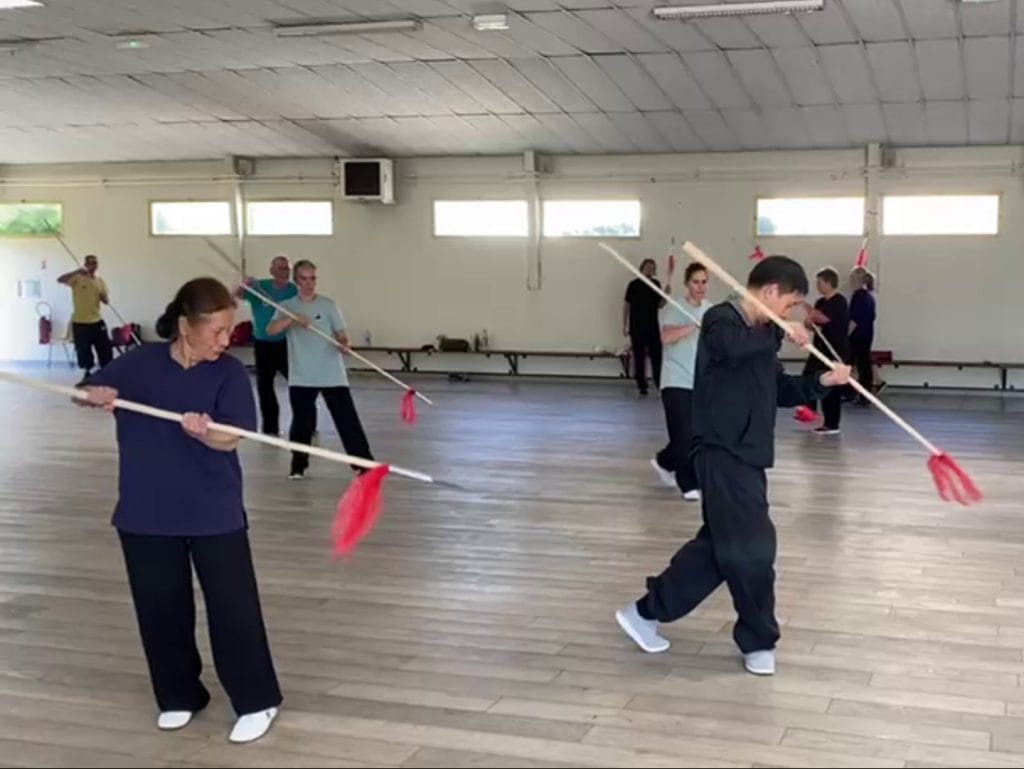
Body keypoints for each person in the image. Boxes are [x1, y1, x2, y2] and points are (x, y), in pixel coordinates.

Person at [615, 256, 851, 676]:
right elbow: (732, 348)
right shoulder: (722, 321)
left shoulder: (760, 337)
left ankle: (645, 612)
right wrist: (780, 332)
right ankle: (758, 640)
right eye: (788, 304)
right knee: (755, 548)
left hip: (748, 457)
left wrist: (823, 382)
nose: (789, 313)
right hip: (721, 453)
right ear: (770, 292)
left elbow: (780, 389)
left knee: (719, 549)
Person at [78, 277, 282, 744]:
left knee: (233, 608)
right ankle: (178, 695)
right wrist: (94, 396)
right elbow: (83, 390)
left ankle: (256, 699)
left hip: (213, 510)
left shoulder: (229, 373)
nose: (225, 339)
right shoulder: (140, 363)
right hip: (145, 510)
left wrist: (204, 432)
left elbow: (232, 438)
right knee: (160, 608)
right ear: (187, 326)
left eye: (229, 329)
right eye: (217, 330)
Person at [267, 259, 373, 480]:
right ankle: (298, 465)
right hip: (302, 375)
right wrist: (291, 320)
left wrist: (343, 344)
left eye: (312, 278)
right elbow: (271, 330)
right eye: (304, 279)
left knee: (347, 421)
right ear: (296, 281)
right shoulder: (287, 306)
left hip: (332, 373)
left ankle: (363, 465)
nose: (309, 283)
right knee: (302, 423)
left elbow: (342, 334)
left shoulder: (328, 305)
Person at [650, 263, 712, 502]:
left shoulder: (710, 309)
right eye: (695, 282)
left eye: (704, 282)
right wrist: (693, 325)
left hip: (700, 383)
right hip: (676, 380)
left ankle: (664, 461)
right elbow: (666, 337)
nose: (700, 286)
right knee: (684, 435)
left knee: (695, 436)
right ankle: (688, 483)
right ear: (687, 284)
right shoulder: (675, 307)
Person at [236, 255, 297, 436]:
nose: (284, 272)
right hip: (263, 344)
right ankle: (270, 428)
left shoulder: (293, 290)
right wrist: (244, 285)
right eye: (280, 268)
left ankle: (305, 422)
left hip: (285, 343)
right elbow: (239, 295)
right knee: (265, 387)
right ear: (272, 271)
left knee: (298, 384)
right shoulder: (260, 287)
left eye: (286, 268)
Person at [801, 267, 850, 435]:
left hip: (835, 350)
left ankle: (832, 423)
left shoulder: (839, 302)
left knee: (831, 387)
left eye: (820, 282)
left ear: (829, 283)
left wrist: (806, 307)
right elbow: (811, 323)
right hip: (819, 349)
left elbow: (824, 319)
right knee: (809, 377)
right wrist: (809, 320)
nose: (818, 285)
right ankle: (809, 411)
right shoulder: (820, 302)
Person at [58, 254, 113, 384]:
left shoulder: (100, 281)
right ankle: (88, 375)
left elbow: (106, 301)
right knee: (83, 353)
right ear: (85, 264)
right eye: (90, 263)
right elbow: (60, 279)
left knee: (105, 350)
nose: (92, 266)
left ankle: (107, 376)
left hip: (97, 321)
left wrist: (104, 298)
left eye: (94, 263)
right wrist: (77, 271)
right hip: (80, 323)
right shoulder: (77, 279)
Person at [623, 259, 664, 397]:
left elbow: (660, 305)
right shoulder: (633, 285)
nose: (649, 269)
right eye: (647, 267)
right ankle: (642, 385)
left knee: (657, 355)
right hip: (636, 326)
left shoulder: (656, 284)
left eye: (652, 268)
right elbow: (626, 305)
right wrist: (624, 324)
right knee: (639, 357)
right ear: (642, 268)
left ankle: (659, 382)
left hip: (652, 326)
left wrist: (666, 295)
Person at [848, 267, 878, 405]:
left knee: (855, 364)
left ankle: (853, 393)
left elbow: (854, 319)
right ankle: (864, 394)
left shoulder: (858, 296)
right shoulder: (869, 296)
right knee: (864, 365)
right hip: (867, 334)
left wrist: (845, 335)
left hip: (857, 336)